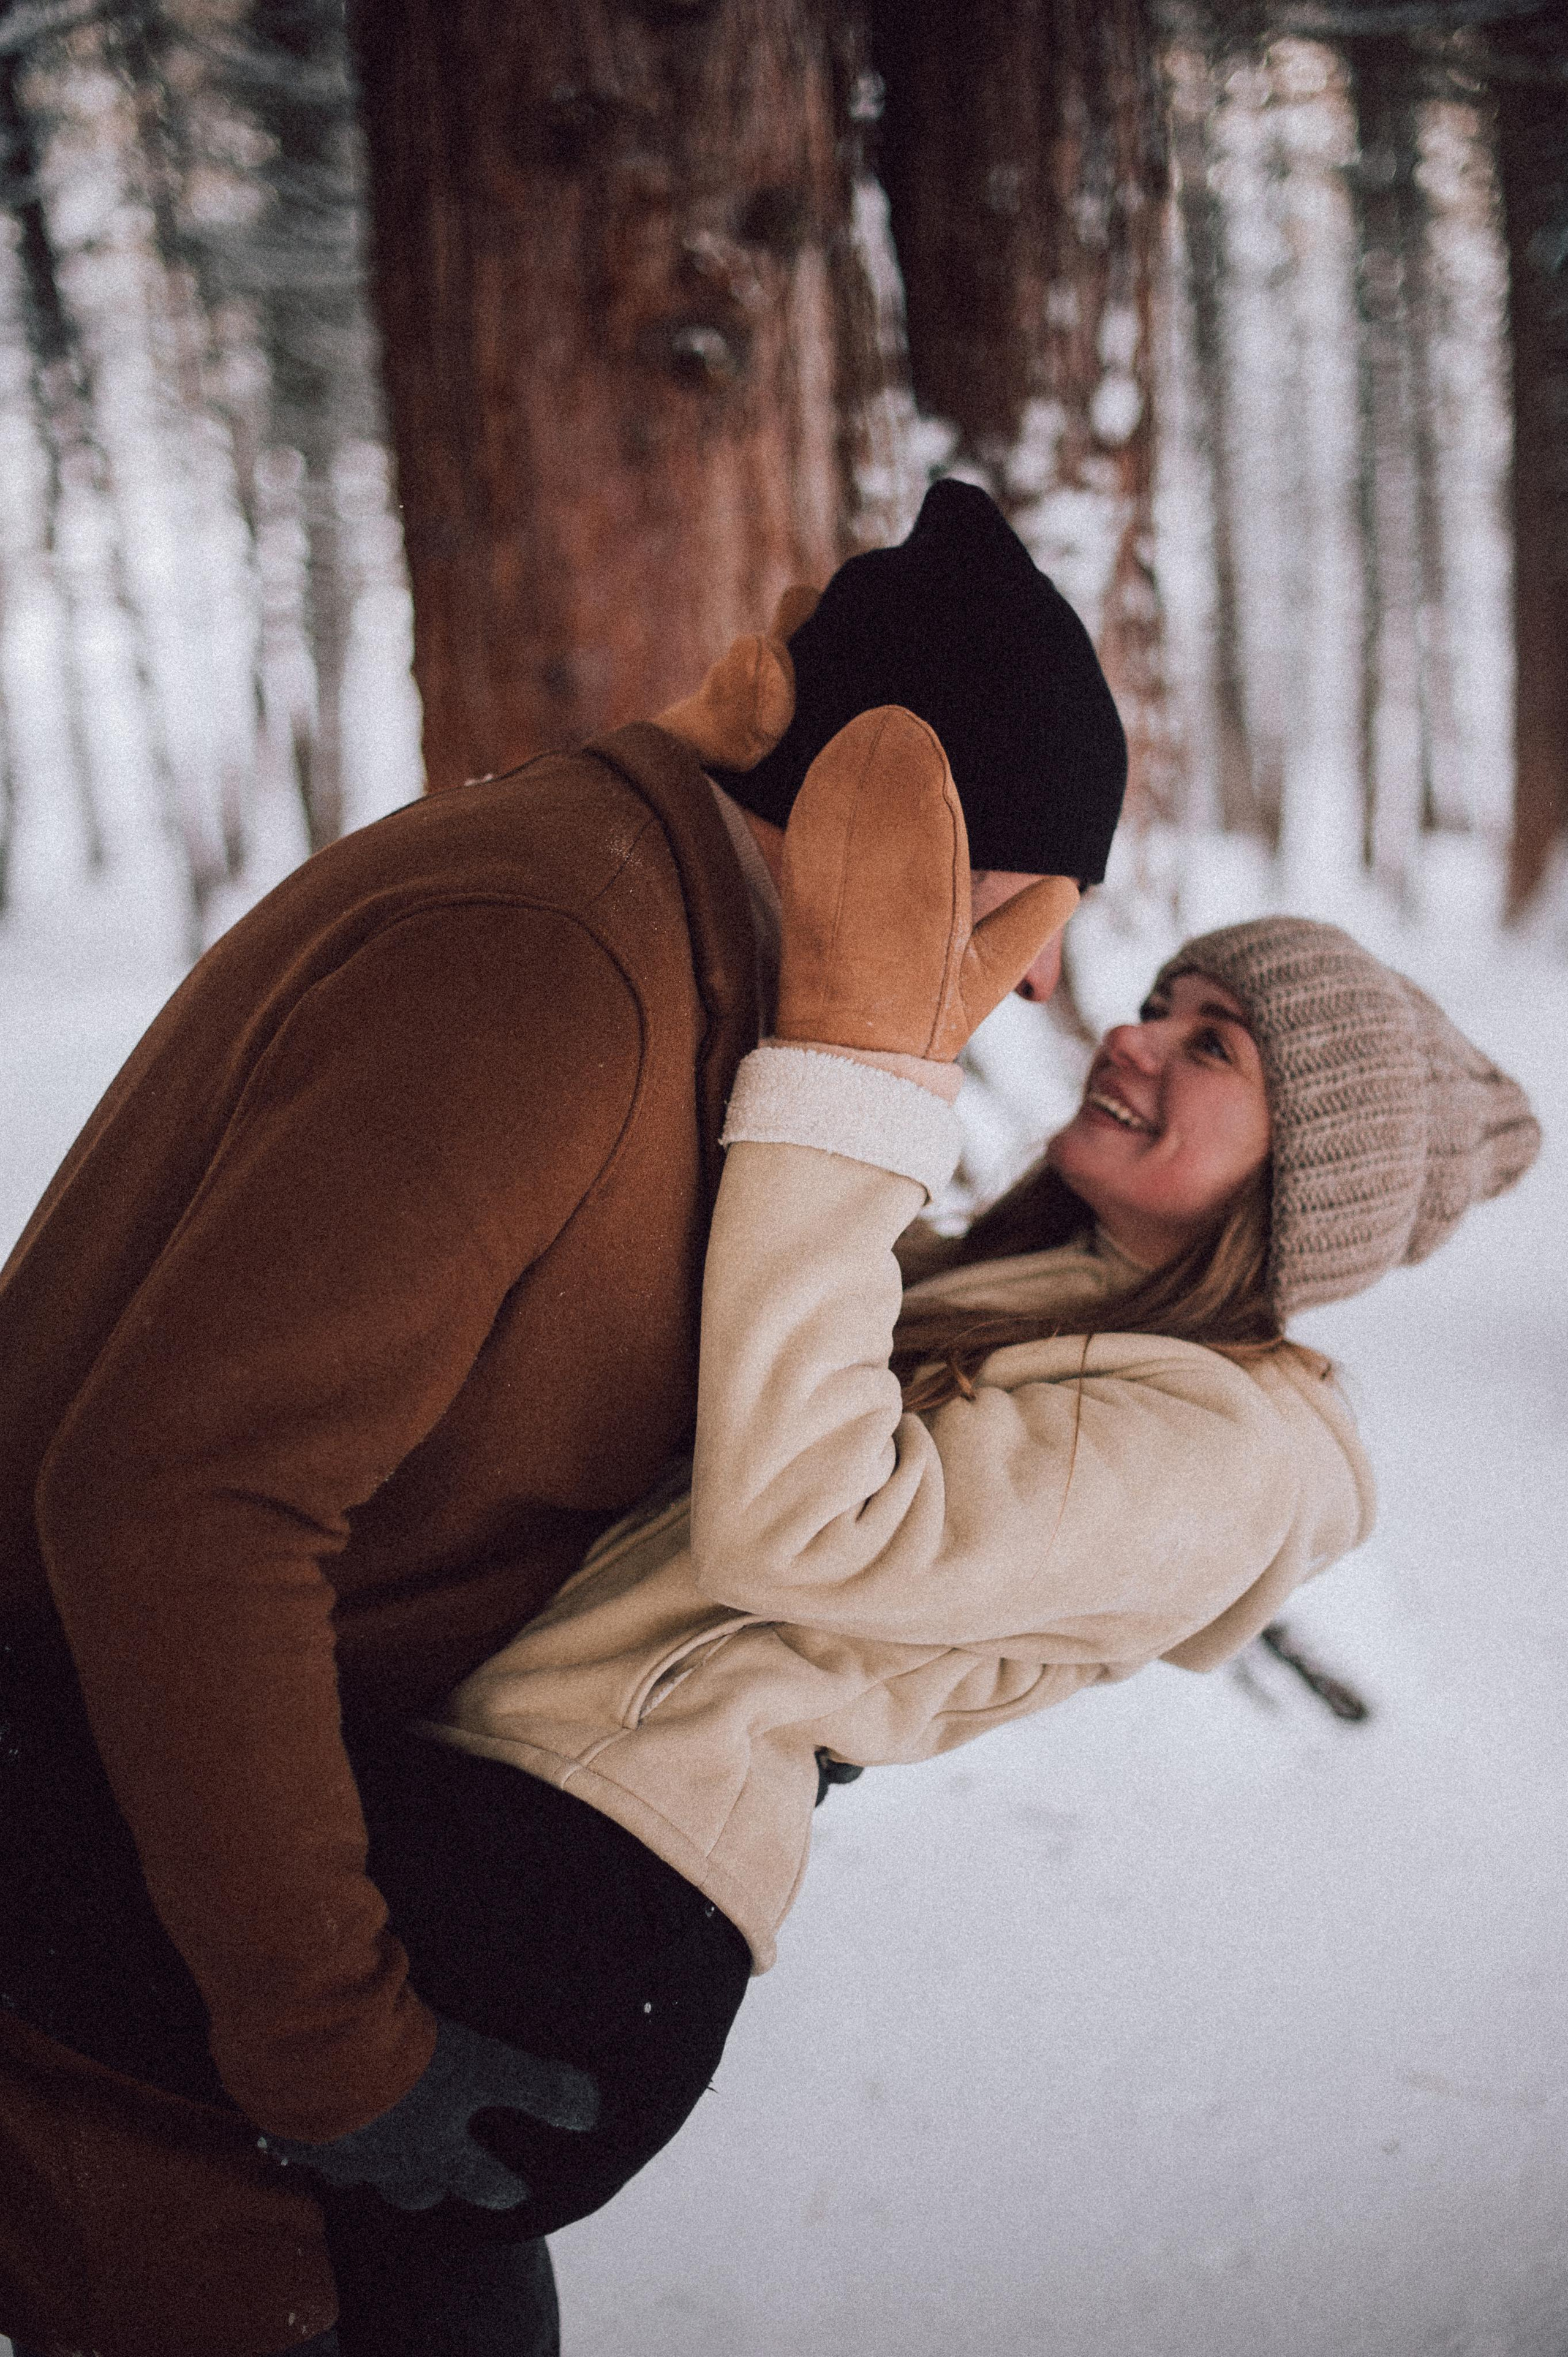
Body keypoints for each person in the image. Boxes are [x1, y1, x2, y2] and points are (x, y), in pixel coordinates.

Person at [247, 707, 1538, 2351]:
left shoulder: (1233, 1452)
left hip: (575, 1901)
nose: (1131, 1037)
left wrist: (857, 1076)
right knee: (350, 2276)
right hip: (504, 1813)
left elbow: (805, 1529)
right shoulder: (1046, 1295)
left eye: (1215, 1045)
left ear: (1308, 1189)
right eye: (1161, 1003)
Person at [0, 483, 1128, 2357]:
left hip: (250, 1835)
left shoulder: (684, 956)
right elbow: (179, 1504)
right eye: (1025, 918)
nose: (1023, 988)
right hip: (115, 1852)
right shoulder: (554, 954)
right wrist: (331, 2042)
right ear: (936, 856)